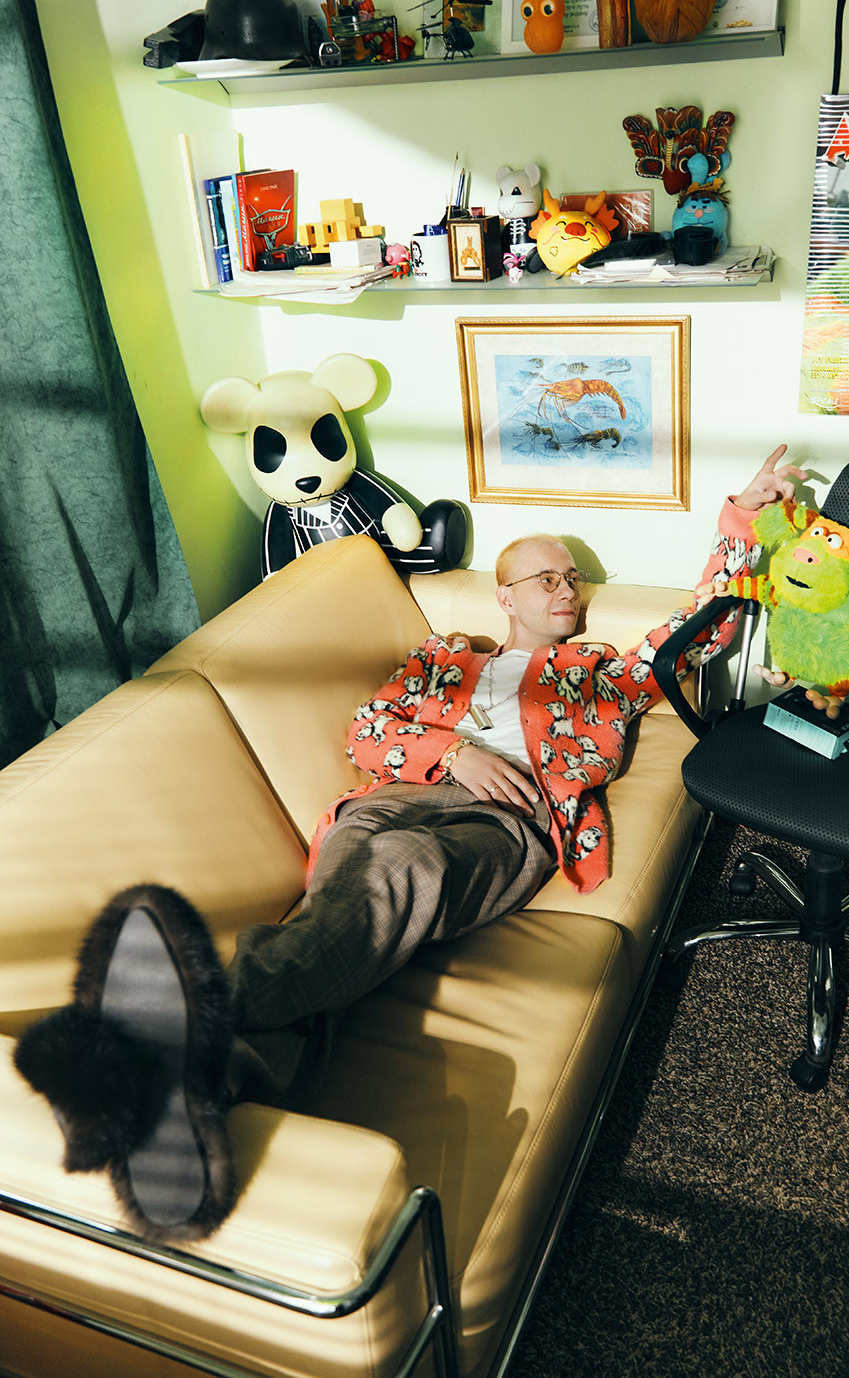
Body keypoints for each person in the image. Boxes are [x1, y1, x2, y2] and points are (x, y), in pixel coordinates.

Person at [14, 445, 805, 1244]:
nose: (566, 589)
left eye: (572, 578)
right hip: (392, 798)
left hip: (509, 819)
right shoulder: (444, 658)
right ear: (505, 596)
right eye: (545, 578)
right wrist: (453, 751)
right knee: (344, 915)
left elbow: (701, 632)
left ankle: (173, 1028)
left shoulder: (599, 671)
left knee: (400, 870)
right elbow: (370, 730)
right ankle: (216, 1084)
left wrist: (746, 515)